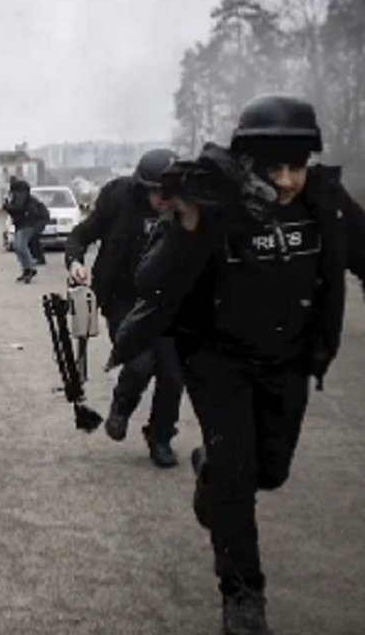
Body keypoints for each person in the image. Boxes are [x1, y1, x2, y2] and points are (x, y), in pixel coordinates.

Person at [113, 95, 365, 635]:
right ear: (247, 163)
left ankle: (211, 473)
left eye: (296, 166)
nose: (286, 180)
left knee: (269, 472)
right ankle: (243, 594)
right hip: (218, 360)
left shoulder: (325, 201)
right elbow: (150, 281)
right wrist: (187, 226)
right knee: (236, 477)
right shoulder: (214, 202)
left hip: (289, 361)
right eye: (273, 167)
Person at [65, 148, 182, 468]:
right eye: (158, 192)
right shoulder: (117, 199)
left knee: (173, 373)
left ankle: (160, 436)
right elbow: (81, 235)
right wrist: (75, 261)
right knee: (141, 361)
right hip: (122, 298)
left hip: (169, 301)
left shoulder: (188, 208)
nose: (164, 200)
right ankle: (122, 407)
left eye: (170, 193)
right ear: (143, 187)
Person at [3, 179, 50, 283]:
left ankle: (30, 269)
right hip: (23, 225)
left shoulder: (22, 196)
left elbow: (19, 209)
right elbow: (15, 212)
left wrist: (8, 207)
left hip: (28, 225)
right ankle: (26, 269)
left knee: (21, 246)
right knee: (18, 246)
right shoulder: (21, 196)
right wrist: (8, 208)